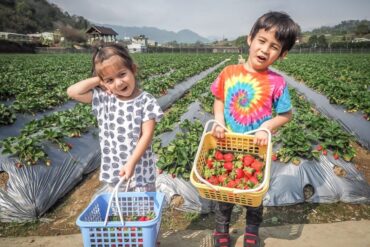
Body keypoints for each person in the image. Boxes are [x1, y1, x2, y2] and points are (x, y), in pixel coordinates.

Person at [210, 11, 299, 247]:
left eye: (274, 46)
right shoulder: (228, 73)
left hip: (257, 147)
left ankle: (251, 230)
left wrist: (266, 127)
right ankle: (221, 230)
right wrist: (219, 121)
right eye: (261, 41)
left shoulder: (277, 83)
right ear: (250, 39)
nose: (264, 50)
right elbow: (218, 99)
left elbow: (286, 114)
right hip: (228, 143)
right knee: (225, 192)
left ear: (282, 54)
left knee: (254, 194)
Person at [67, 44, 163, 192]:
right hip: (115, 170)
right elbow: (73, 92)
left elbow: (147, 136)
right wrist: (98, 81)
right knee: (120, 210)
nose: (118, 83)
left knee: (143, 210)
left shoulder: (146, 101)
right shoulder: (105, 98)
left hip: (140, 170)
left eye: (122, 74)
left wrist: (131, 163)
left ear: (133, 69)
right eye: (110, 80)